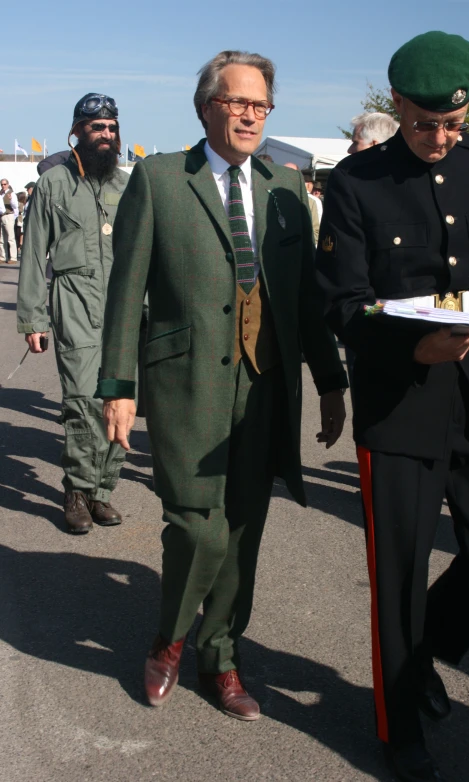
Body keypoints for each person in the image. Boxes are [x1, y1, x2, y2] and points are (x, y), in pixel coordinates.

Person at [97, 50, 347, 720]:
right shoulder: (158, 179)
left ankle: (223, 658)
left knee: (242, 533)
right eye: (236, 101)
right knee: (196, 529)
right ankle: (169, 639)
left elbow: (305, 302)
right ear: (206, 106)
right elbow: (126, 292)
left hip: (263, 390)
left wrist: (329, 380)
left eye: (260, 104)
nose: (249, 115)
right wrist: (117, 384)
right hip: (184, 385)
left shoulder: (286, 187)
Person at [316, 31, 469, 782]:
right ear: (395, 105)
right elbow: (340, 303)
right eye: (424, 124)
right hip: (399, 399)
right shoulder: (357, 183)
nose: (440, 140)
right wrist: (410, 348)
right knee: (398, 578)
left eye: (454, 124)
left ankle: (424, 654)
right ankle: (397, 727)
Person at [17, 93, 129, 534]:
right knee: (82, 400)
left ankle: (103, 491)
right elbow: (31, 255)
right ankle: (77, 491)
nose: (106, 134)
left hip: (122, 306)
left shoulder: (127, 186)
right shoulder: (53, 184)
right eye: (97, 126)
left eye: (112, 127)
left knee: (118, 398)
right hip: (74, 300)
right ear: (78, 130)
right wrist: (33, 318)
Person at [284, 162, 320, 244]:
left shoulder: (310, 202)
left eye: (291, 173)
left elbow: (315, 232)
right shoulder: (271, 197)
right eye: (283, 172)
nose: (287, 176)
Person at [0, 178, 19, 263]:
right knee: (2, 238)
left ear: (7, 184)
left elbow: (15, 206)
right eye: (2, 184)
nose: (3, 186)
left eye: (4, 184)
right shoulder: (1, 193)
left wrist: (11, 199)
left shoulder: (11, 193)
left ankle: (13, 257)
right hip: (1, 216)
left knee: (11, 238)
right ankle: (3, 256)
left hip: (9, 215)